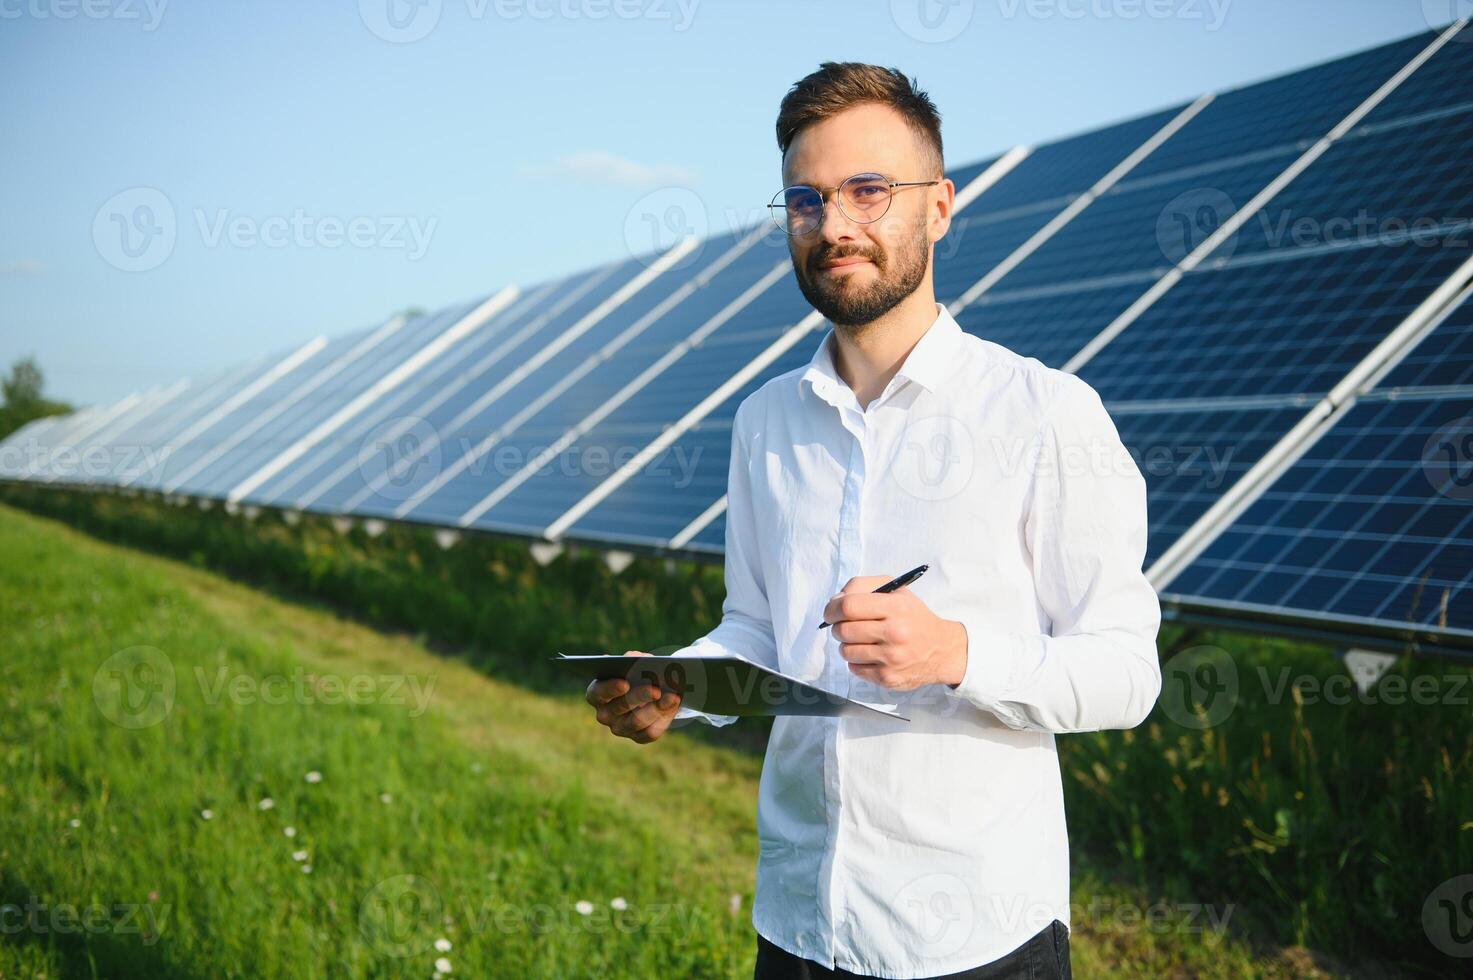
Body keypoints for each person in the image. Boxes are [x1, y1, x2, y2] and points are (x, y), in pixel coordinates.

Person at [586, 62, 1162, 980]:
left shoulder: (1046, 413)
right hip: (799, 921)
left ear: (937, 207)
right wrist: (679, 687)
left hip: (977, 937)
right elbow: (760, 629)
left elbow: (1128, 674)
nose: (835, 224)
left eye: (868, 190)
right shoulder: (764, 419)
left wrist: (955, 654)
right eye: (806, 200)